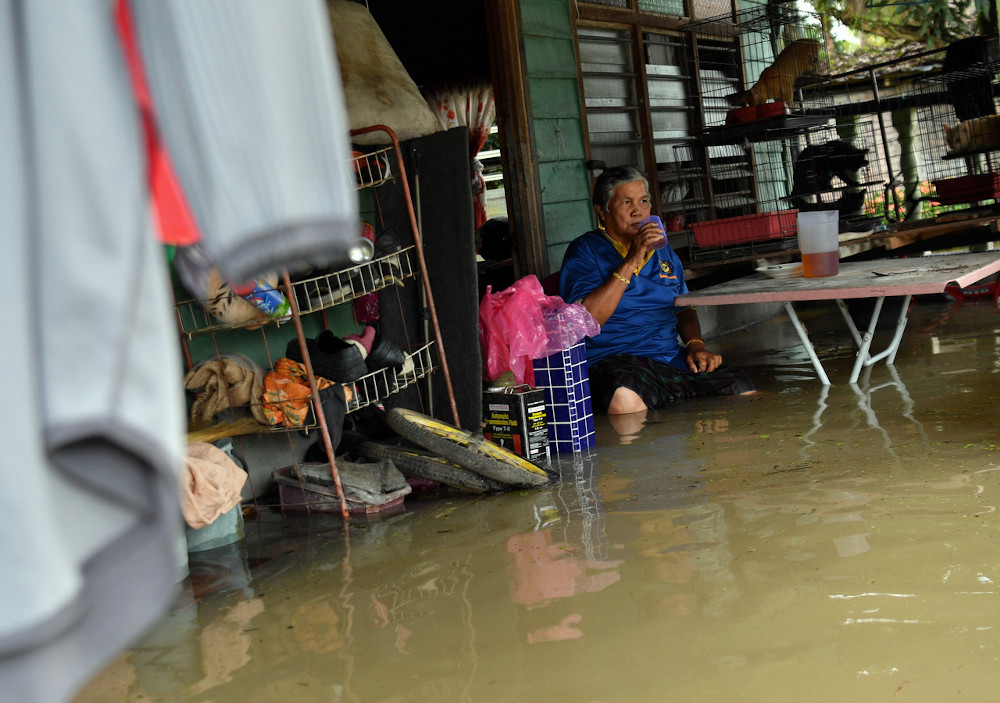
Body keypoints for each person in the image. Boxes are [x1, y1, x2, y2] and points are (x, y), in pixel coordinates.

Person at [559, 165, 754, 415]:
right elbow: (586, 320)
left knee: (739, 385)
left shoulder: (662, 250)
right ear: (602, 212)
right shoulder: (585, 251)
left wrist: (696, 346)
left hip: (666, 357)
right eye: (626, 202)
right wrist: (632, 259)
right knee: (623, 399)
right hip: (613, 361)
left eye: (643, 201)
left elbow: (684, 304)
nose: (637, 211)